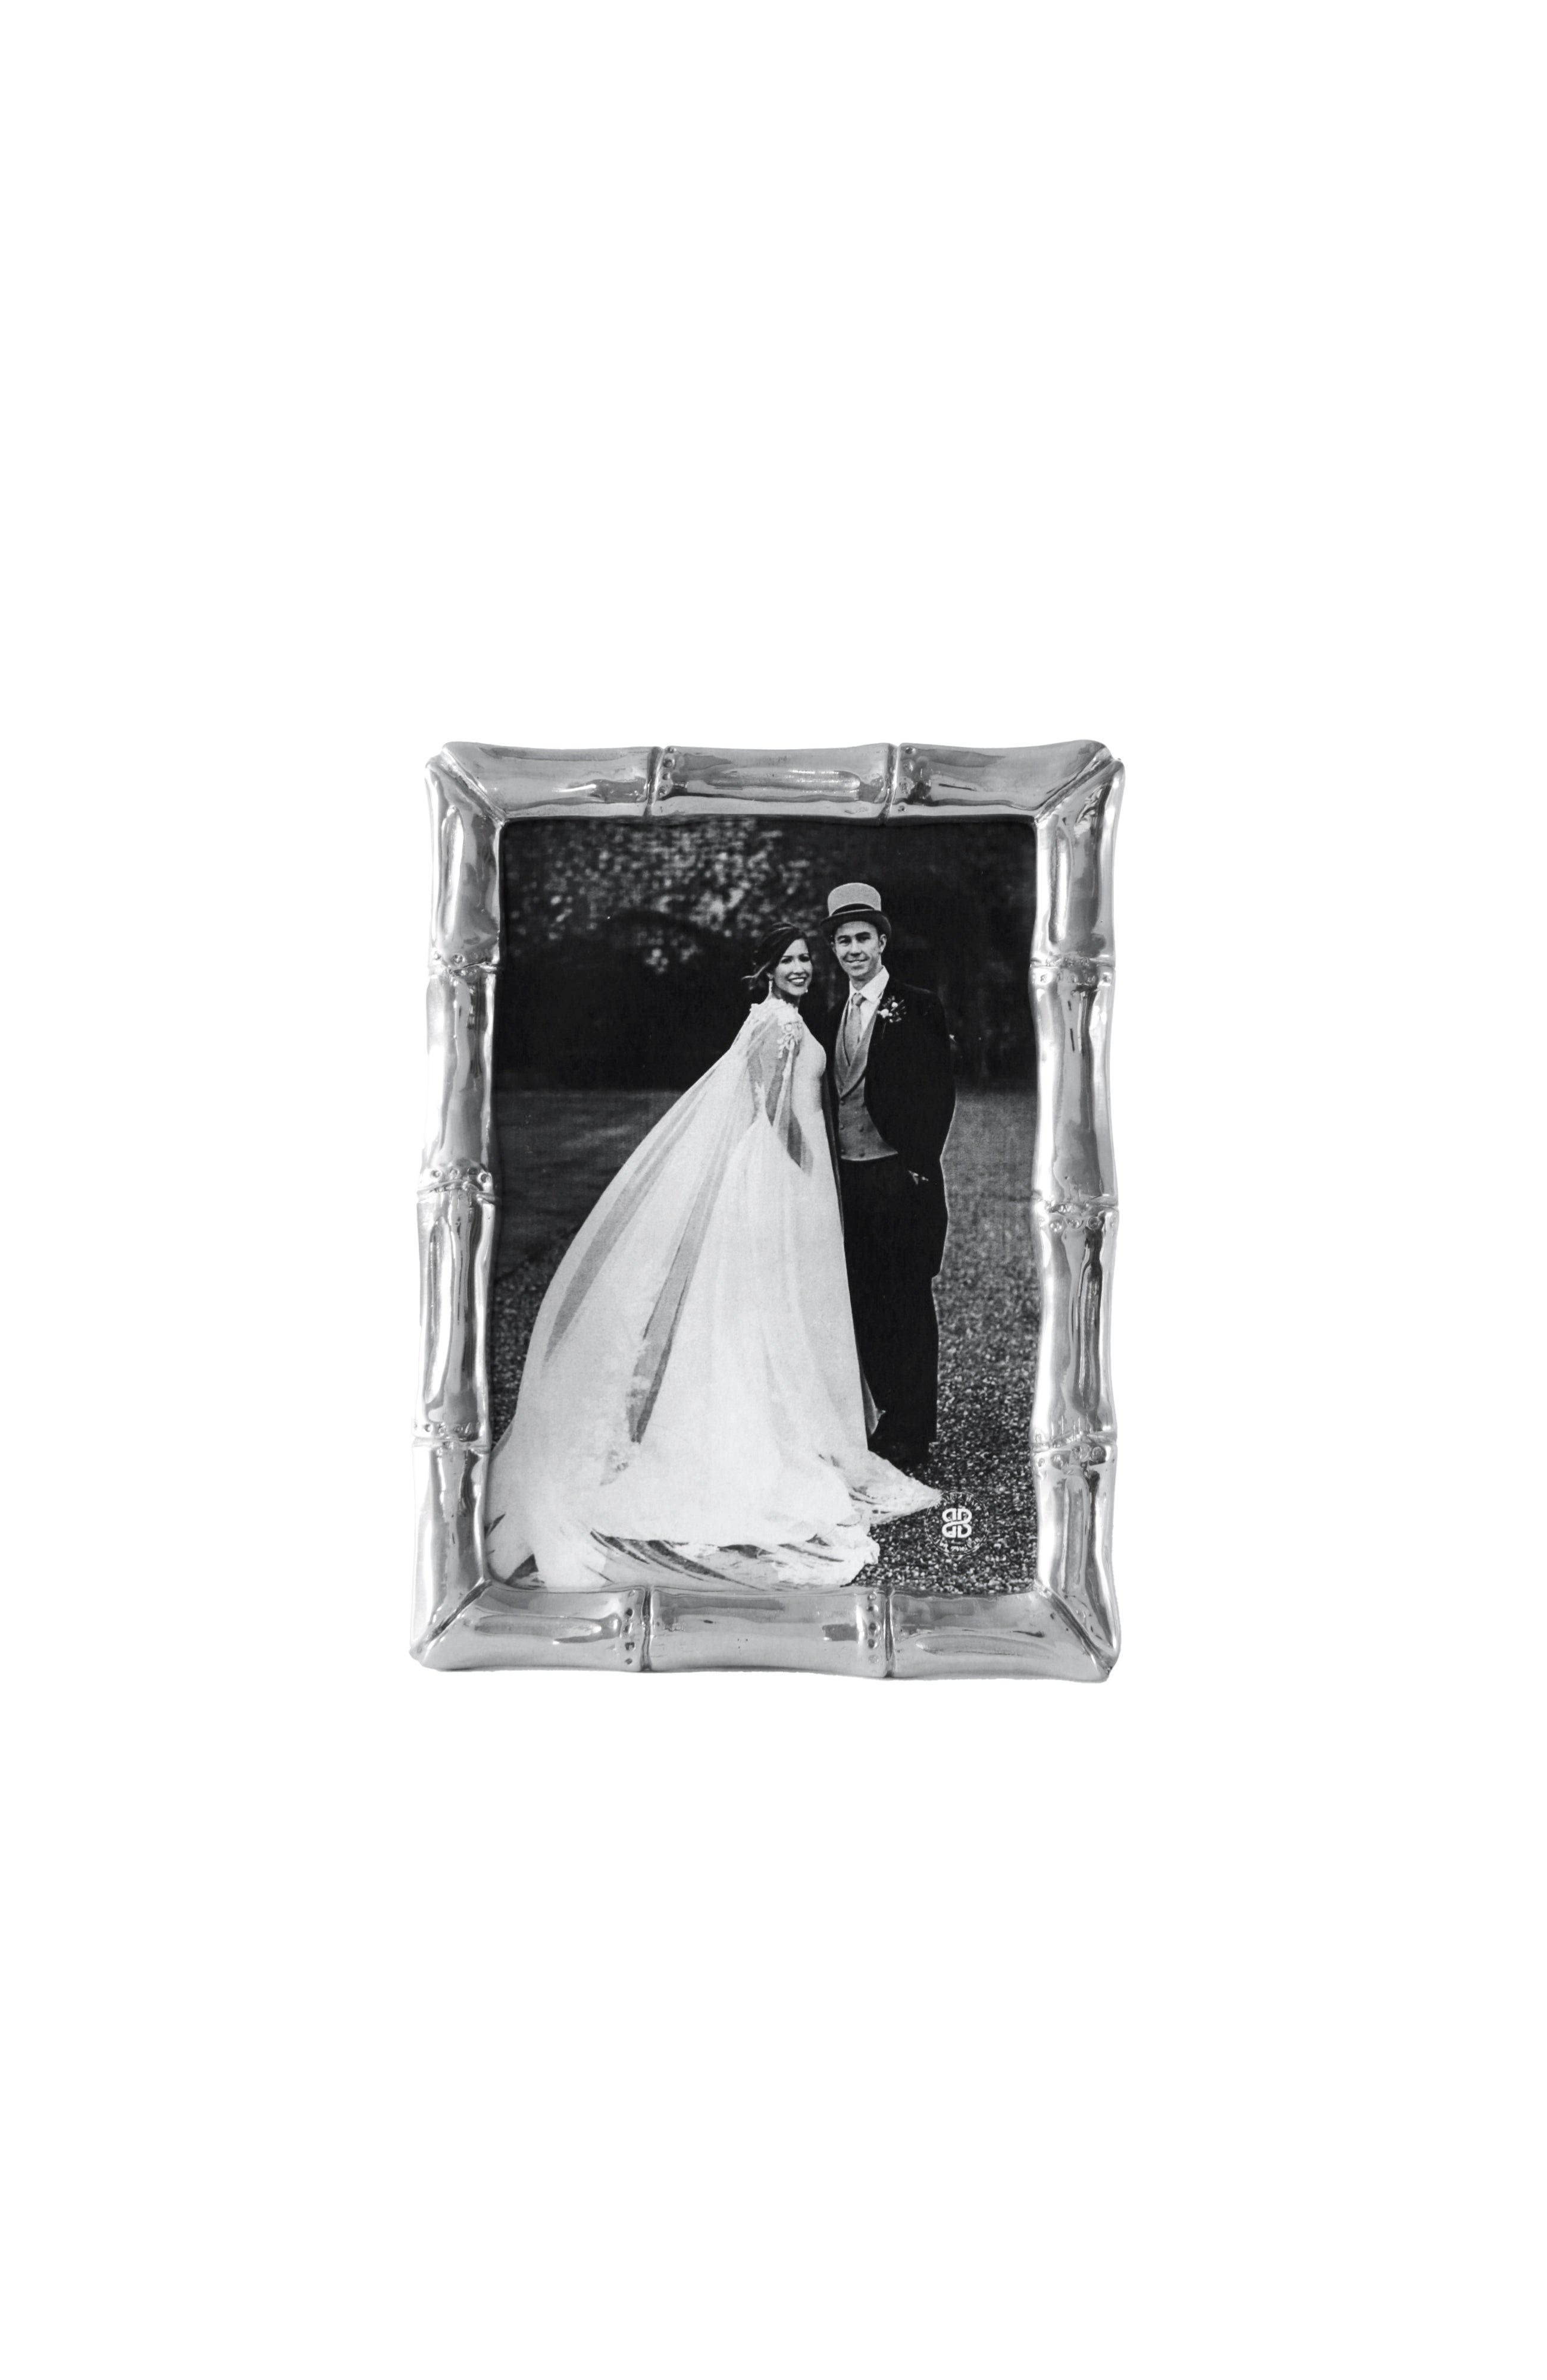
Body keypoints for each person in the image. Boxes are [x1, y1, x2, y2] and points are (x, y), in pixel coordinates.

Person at [486, 923, 940, 1589]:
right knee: (775, 1302)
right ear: (766, 969)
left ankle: (796, 1422)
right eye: (787, 960)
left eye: (804, 958)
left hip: (788, 1170)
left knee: (780, 1304)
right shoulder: (777, 1025)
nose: (800, 968)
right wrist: (807, 1171)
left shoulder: (782, 1019)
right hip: (785, 1172)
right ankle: (776, 1433)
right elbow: (772, 1109)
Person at [819, 884, 956, 1470]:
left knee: (907, 1303)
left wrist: (916, 1166)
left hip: (897, 1176)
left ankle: (912, 1432)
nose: (853, 950)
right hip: (847, 1182)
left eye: (862, 938)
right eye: (843, 941)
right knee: (864, 1302)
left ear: (881, 942)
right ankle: (885, 1421)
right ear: (834, 949)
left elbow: (938, 1092)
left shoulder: (917, 1005)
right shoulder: (831, 1017)